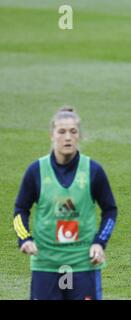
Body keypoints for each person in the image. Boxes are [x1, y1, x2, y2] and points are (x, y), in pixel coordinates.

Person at [13, 107, 117, 300]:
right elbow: (21, 209)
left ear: (80, 136)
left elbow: (110, 210)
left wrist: (100, 242)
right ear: (51, 135)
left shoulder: (93, 171)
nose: (67, 137)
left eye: (73, 131)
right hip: (46, 264)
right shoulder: (36, 171)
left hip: (83, 264)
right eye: (61, 132)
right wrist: (25, 238)